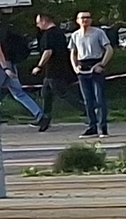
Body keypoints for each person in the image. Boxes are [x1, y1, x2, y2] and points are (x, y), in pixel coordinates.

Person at [0, 18, 49, 131]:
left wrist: (5, 68)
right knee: (19, 93)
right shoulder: (3, 30)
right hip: (11, 63)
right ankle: (40, 115)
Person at [69, 9, 117, 137]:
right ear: (77, 21)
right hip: (82, 66)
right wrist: (75, 66)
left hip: (95, 64)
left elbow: (109, 49)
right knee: (87, 99)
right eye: (82, 18)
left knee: (99, 98)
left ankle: (103, 127)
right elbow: (73, 53)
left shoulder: (98, 33)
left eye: (87, 17)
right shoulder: (75, 35)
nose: (85, 20)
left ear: (90, 20)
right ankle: (92, 126)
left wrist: (102, 64)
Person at [31, 12, 72, 124]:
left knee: (63, 94)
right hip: (51, 71)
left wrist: (39, 66)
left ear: (44, 21)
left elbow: (48, 51)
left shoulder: (50, 34)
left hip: (54, 69)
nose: (37, 26)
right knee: (46, 94)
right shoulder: (59, 32)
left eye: (38, 23)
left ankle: (89, 111)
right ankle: (44, 119)